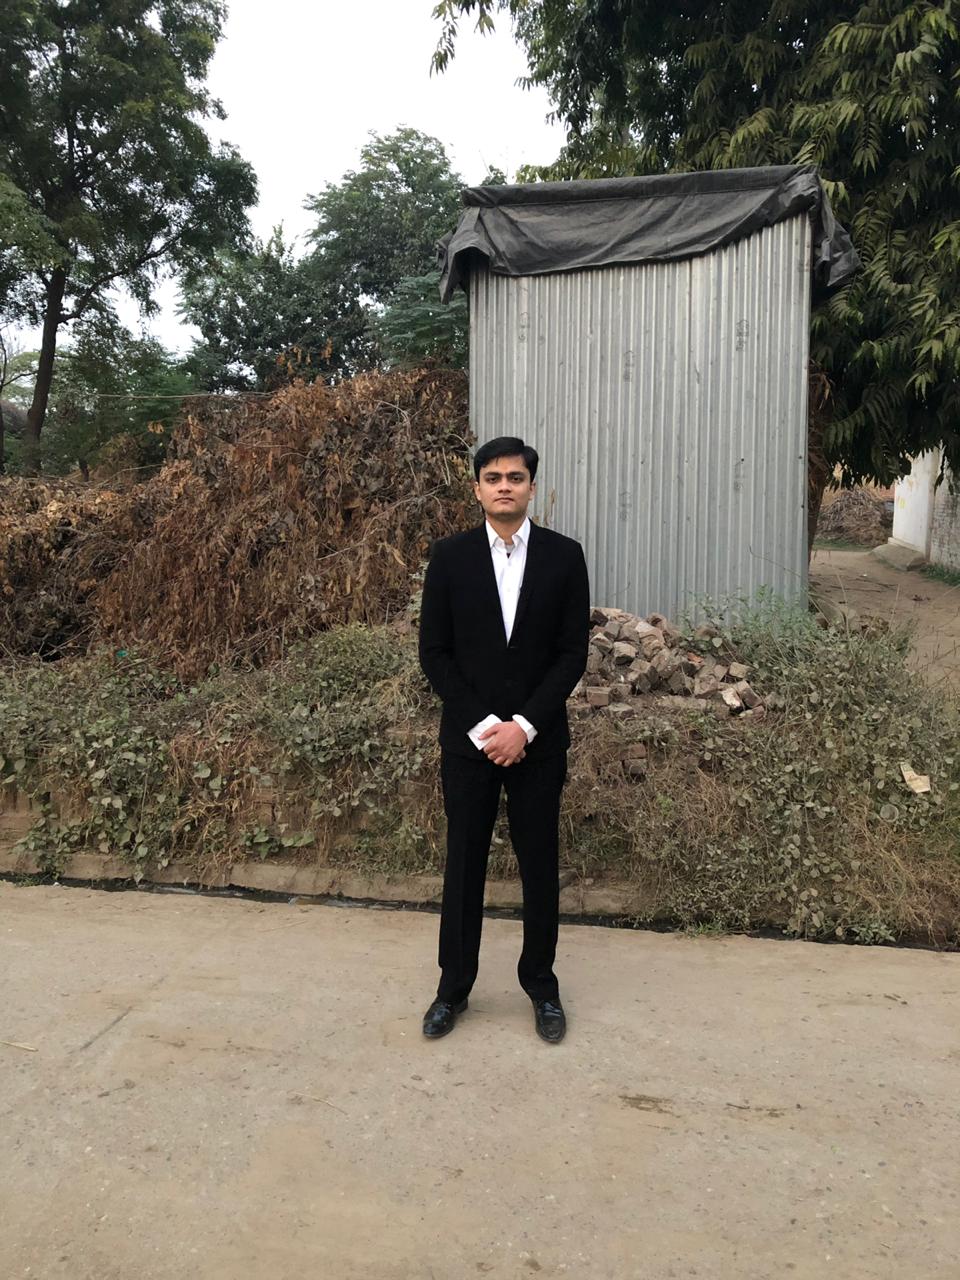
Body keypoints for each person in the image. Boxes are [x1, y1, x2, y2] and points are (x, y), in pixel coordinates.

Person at [418, 436, 590, 1043]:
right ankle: (452, 989)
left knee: (539, 865)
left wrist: (525, 727)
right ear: (477, 489)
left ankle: (542, 987)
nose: (504, 487)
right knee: (463, 864)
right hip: (469, 745)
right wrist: (487, 728)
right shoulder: (450, 558)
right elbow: (434, 653)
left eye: (515, 477)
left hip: (538, 744)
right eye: (492, 478)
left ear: (531, 488)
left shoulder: (565, 557)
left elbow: (572, 654)